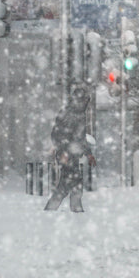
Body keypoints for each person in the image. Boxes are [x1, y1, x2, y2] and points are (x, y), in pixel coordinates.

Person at [45, 84, 95, 213]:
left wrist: (88, 153)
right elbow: (57, 135)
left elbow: (80, 137)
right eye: (84, 100)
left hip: (72, 155)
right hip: (67, 155)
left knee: (69, 182)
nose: (86, 104)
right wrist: (65, 151)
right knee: (69, 182)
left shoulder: (78, 114)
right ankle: (72, 209)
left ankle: (72, 208)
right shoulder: (69, 113)